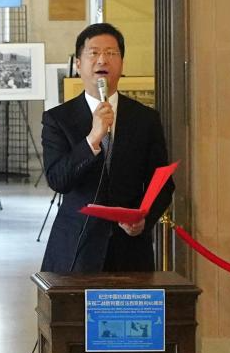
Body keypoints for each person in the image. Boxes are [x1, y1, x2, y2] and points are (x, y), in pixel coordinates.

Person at [41, 22, 174, 274]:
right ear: (78, 64)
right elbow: (58, 180)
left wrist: (144, 220)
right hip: (76, 247)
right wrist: (93, 138)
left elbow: (163, 184)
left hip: (130, 249)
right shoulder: (58, 119)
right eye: (93, 53)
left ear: (121, 63)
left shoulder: (145, 118)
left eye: (111, 53)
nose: (102, 60)